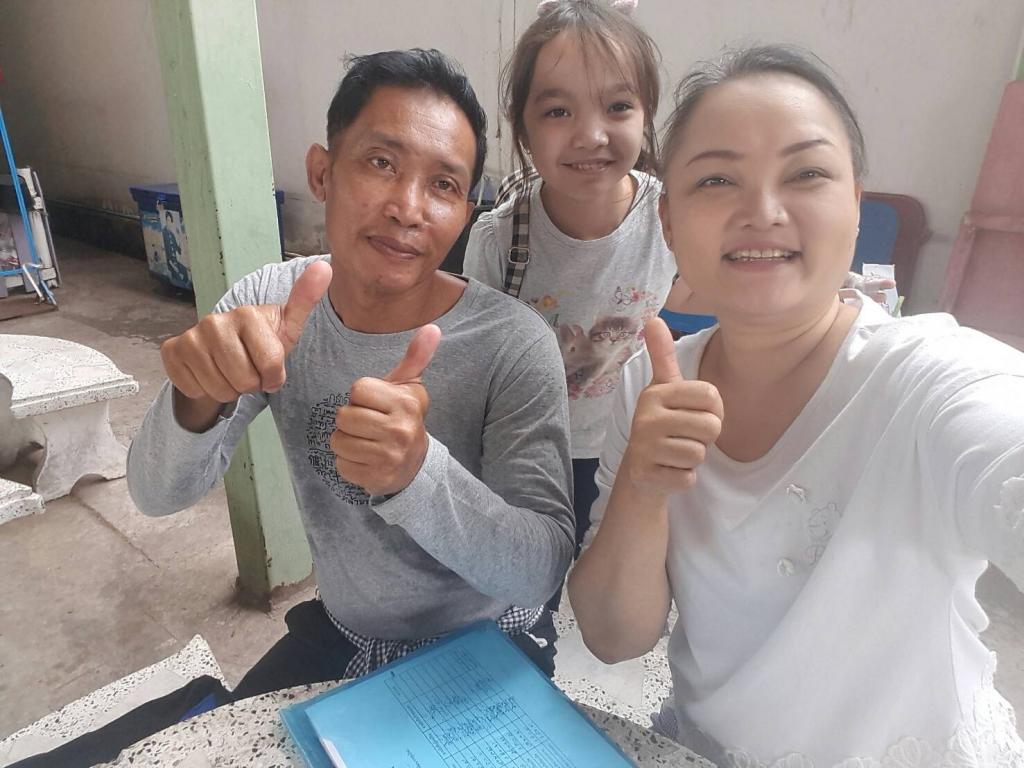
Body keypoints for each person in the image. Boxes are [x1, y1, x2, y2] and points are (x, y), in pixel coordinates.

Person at [568, 44, 1024, 766]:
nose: (763, 211)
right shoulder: (651, 387)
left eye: (807, 173)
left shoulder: (925, 380)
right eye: (717, 179)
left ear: (855, 204)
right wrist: (642, 489)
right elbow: (613, 638)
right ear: (669, 222)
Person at [462, 0, 683, 563]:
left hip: (621, 444)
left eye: (618, 106)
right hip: (526, 447)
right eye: (558, 111)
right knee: (529, 574)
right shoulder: (500, 239)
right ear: (523, 128)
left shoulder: (671, 217)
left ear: (646, 114)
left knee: (606, 569)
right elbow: (474, 361)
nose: (591, 135)